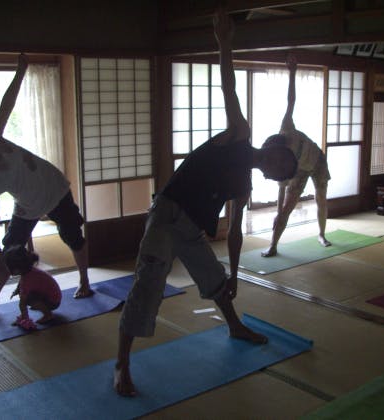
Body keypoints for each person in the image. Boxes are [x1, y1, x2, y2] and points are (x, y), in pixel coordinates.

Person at [113, 10, 297, 397]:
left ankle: (235, 326)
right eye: (281, 157)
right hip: (167, 214)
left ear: (272, 177)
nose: (277, 164)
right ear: (270, 145)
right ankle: (121, 364)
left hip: (190, 228)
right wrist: (224, 43)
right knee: (148, 284)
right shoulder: (239, 134)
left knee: (216, 279)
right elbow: (229, 88)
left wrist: (236, 275)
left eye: (281, 170)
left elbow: (235, 233)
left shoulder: (244, 187)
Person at [0, 54, 93, 319]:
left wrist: (21, 71)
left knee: (72, 236)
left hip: (53, 188)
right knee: (9, 250)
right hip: (27, 205)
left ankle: (85, 282)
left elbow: (7, 104)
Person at [261, 54, 331, 258]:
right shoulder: (281, 163)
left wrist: (292, 72)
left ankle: (321, 234)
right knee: (286, 210)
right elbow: (281, 189)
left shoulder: (286, 129)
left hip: (317, 160)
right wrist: (278, 213)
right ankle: (273, 245)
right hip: (299, 171)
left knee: (321, 198)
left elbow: (291, 100)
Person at [5, 245, 62, 329]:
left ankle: (48, 314)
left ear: (16, 269)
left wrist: (25, 317)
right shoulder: (28, 272)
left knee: (29, 300)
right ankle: (41, 305)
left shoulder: (28, 279)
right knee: (26, 296)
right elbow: (21, 283)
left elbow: (22, 303)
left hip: (53, 302)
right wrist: (17, 290)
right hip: (53, 297)